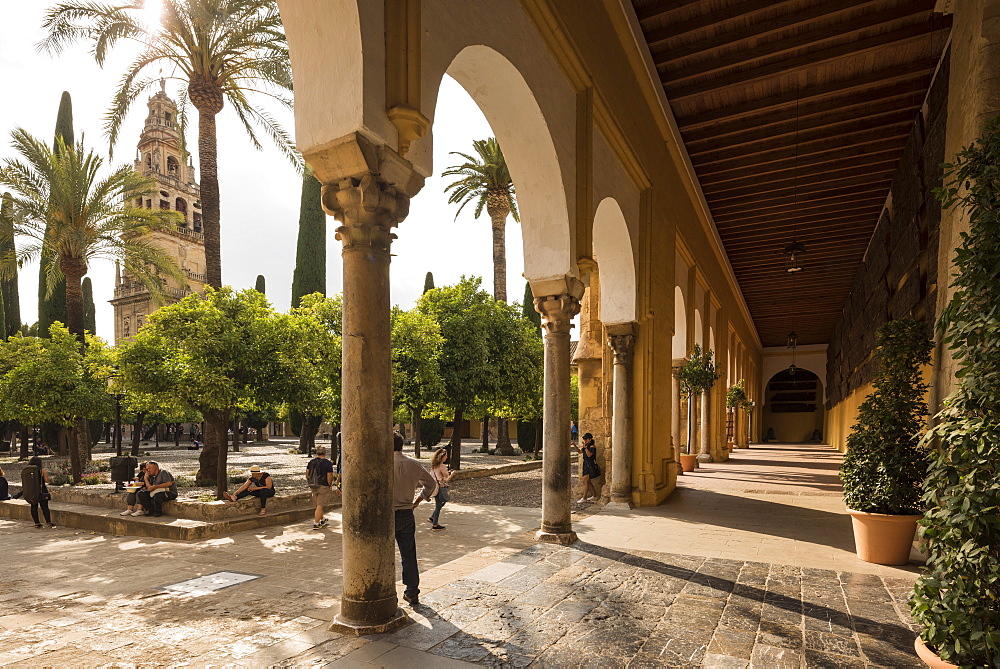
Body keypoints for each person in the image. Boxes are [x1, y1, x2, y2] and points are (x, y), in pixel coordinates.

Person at [393, 431, 437, 606]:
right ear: (402, 445)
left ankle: (387, 594)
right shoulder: (413, 464)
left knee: (384, 556)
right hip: (406, 512)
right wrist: (418, 500)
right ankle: (412, 592)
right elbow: (431, 483)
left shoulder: (381, 464)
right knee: (408, 554)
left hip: (386, 514)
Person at [306, 446, 334, 529]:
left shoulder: (311, 462)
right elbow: (329, 475)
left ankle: (322, 519)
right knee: (320, 505)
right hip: (323, 485)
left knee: (318, 504)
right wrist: (329, 485)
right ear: (325, 453)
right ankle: (316, 523)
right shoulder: (327, 463)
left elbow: (307, 474)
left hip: (313, 485)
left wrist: (309, 481)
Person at [23, 456, 55, 528]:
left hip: (32, 490)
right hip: (42, 490)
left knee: (33, 506)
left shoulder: (28, 471)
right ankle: (48, 522)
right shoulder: (42, 470)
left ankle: (37, 523)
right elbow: (47, 480)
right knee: (44, 507)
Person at [428, 448, 453, 530]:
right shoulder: (442, 466)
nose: (447, 457)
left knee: (440, 503)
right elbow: (446, 479)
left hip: (434, 487)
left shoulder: (433, 466)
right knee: (441, 503)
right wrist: (452, 474)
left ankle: (433, 517)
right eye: (446, 456)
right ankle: (435, 524)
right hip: (440, 487)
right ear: (442, 457)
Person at [574, 432, 600, 503]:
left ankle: (584, 497)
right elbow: (579, 452)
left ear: (590, 439)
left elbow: (589, 455)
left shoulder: (592, 447)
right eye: (584, 439)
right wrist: (575, 446)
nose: (585, 440)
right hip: (586, 464)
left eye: (586, 439)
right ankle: (594, 496)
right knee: (588, 481)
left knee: (585, 481)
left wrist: (585, 447)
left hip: (590, 465)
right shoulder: (587, 446)